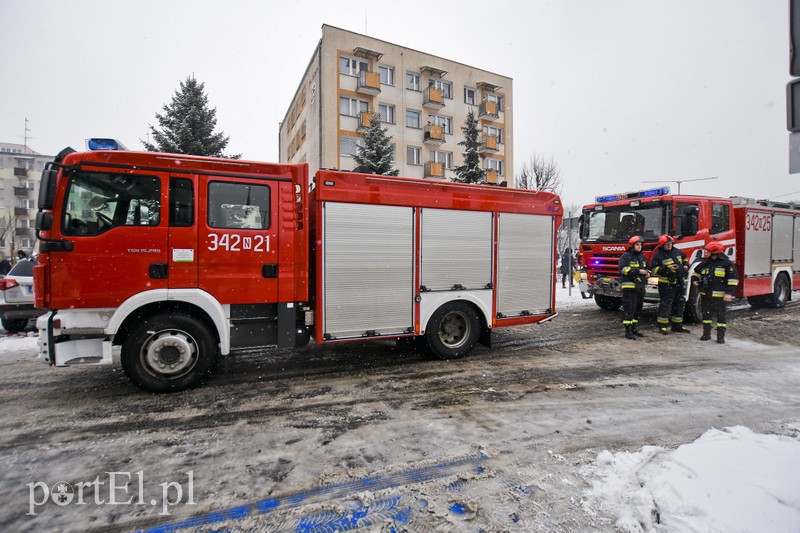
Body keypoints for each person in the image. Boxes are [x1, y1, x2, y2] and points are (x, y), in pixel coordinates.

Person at [691, 241, 740, 344]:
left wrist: (728, 293)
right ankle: (706, 334)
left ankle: (720, 336)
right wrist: (695, 280)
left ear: (715, 252)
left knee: (720, 316)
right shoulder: (705, 262)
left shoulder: (727, 264)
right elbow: (696, 272)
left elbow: (733, 279)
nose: (705, 253)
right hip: (706, 295)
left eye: (707, 251)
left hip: (720, 296)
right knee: (706, 316)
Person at [650, 234, 691, 334]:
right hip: (666, 284)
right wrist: (667, 268)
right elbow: (654, 270)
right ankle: (662, 326)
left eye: (671, 243)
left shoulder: (677, 251)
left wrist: (686, 265)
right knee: (666, 305)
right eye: (667, 244)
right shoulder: (658, 255)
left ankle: (677, 326)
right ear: (662, 245)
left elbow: (685, 259)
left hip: (679, 283)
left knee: (679, 304)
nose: (669, 245)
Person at [619, 235, 650, 339]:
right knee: (629, 309)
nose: (639, 246)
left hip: (640, 287)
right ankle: (628, 331)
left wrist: (648, 273)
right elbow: (623, 270)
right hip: (629, 288)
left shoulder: (642, 257)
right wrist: (638, 271)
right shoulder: (625, 256)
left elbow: (647, 268)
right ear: (632, 245)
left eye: (641, 245)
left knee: (638, 309)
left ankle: (634, 328)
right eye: (637, 244)